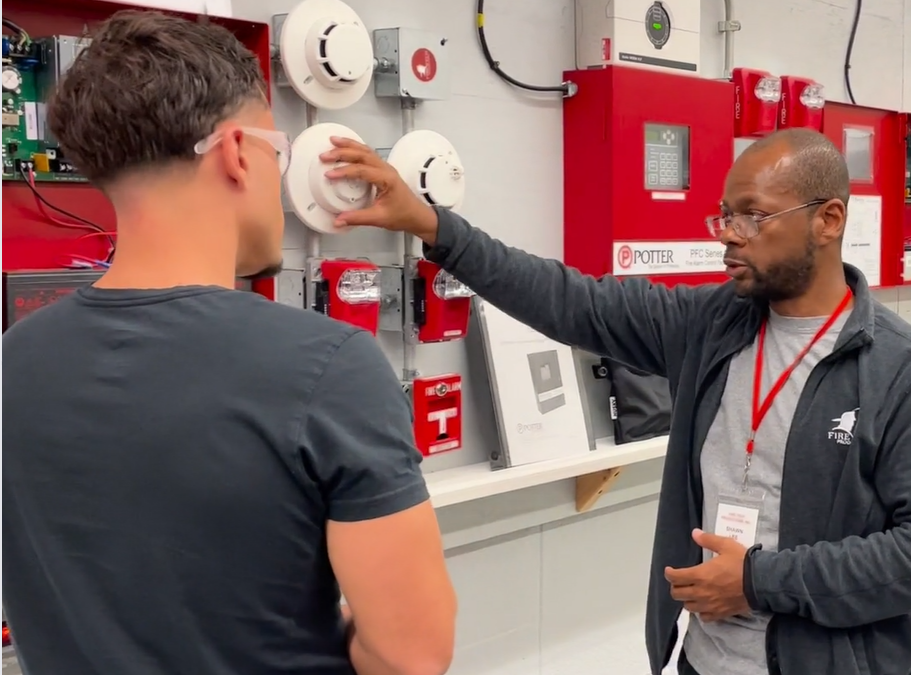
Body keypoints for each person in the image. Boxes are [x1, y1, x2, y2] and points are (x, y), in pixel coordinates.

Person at [319, 128, 911, 675]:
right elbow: (569, 299)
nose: (730, 234)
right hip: (703, 661)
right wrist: (432, 224)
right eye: (725, 216)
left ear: (828, 219)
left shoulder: (893, 368)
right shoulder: (712, 324)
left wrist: (759, 581)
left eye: (754, 217)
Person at [2, 11, 456, 675]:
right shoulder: (326, 368)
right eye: (278, 151)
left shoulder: (15, 361)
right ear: (237, 153)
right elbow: (411, 654)